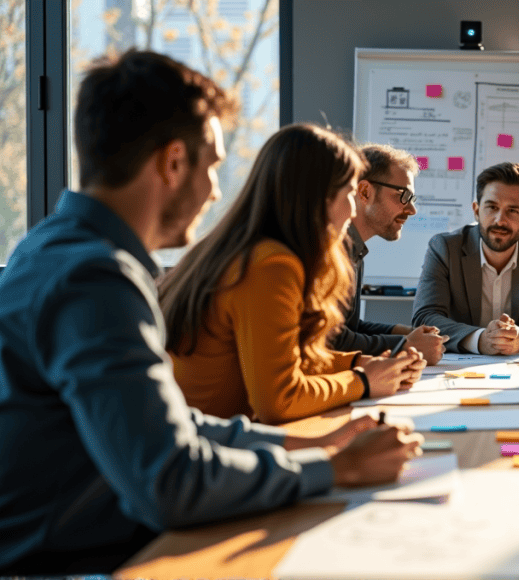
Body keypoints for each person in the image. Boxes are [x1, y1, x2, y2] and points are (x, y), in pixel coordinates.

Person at [0, 50, 421, 575]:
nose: (218, 190)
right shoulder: (94, 279)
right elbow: (170, 482)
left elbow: (173, 427)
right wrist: (331, 468)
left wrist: (305, 444)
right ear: (173, 163)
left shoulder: (54, 248)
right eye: (214, 165)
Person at [160, 125, 426, 425]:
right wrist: (363, 380)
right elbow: (280, 399)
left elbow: (291, 359)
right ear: (317, 196)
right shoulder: (270, 265)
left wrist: (360, 363)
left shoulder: (251, 251)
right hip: (213, 448)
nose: (353, 211)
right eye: (349, 194)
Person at [412, 161, 519, 354]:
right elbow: (424, 318)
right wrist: (479, 339)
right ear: (476, 210)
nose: (500, 220)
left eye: (513, 210)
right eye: (491, 207)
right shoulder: (445, 248)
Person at [327, 143, 447, 365]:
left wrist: (404, 333)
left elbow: (349, 328)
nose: (412, 210)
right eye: (403, 196)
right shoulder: (333, 251)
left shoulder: (355, 249)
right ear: (365, 192)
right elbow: (333, 341)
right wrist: (405, 345)